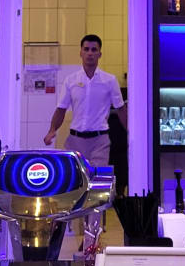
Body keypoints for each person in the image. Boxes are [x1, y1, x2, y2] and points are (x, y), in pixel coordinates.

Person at [45, 34, 126, 171]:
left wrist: (132, 134)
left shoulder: (110, 81)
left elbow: (121, 109)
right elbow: (61, 109)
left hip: (100, 141)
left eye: (94, 50)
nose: (90, 53)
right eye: (86, 49)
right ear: (81, 52)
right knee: (73, 178)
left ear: (99, 54)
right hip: (75, 140)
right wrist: (52, 130)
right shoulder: (71, 80)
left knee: (95, 179)